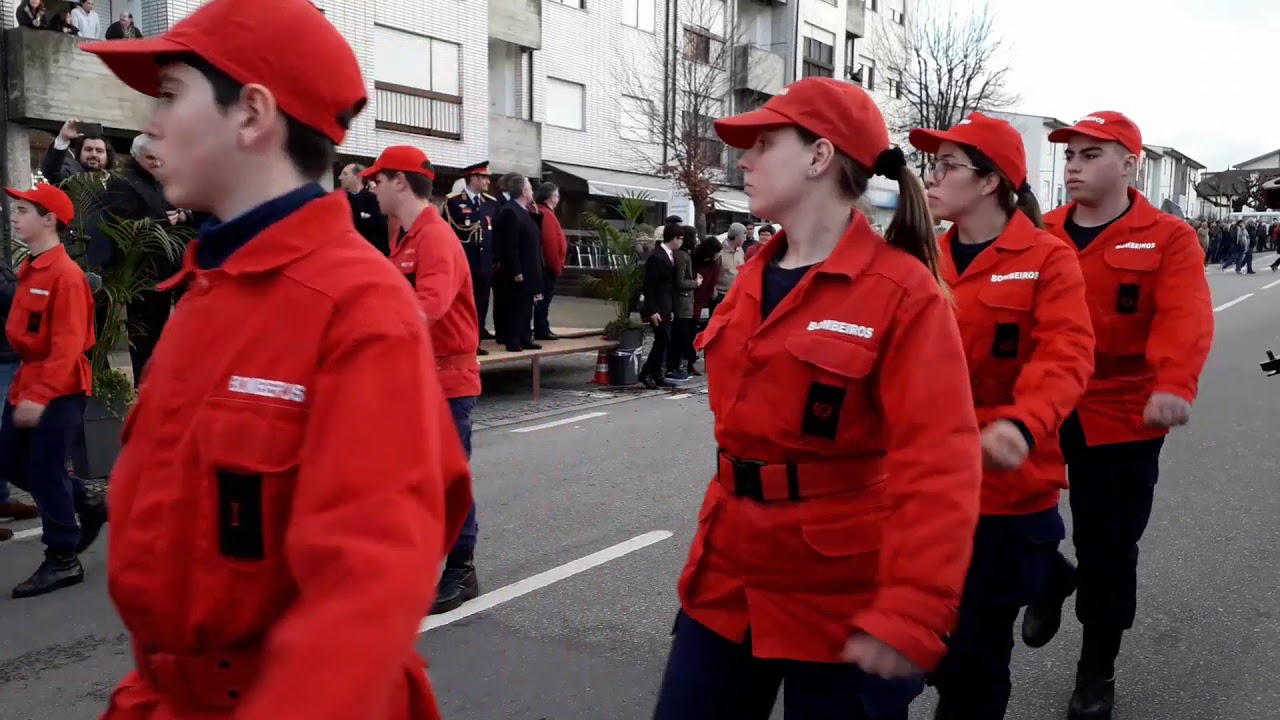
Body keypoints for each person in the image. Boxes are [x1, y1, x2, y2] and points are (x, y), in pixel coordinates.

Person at [80, 1, 473, 717]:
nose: (151, 127)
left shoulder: (357, 308)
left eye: (170, 95)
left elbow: (363, 597)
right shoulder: (208, 284)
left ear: (252, 114)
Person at [651, 77, 983, 720]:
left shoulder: (900, 291)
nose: (743, 160)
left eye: (764, 142)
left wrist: (914, 604)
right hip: (729, 577)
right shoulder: (752, 275)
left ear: (819, 156)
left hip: (841, 594)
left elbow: (939, 459)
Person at [1025, 111, 1214, 720]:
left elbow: (1184, 317)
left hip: (1122, 411)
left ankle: (1095, 670)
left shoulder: (1167, 237)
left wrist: (1174, 383)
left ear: (1128, 163)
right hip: (1043, 401)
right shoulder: (1039, 230)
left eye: (1089, 154)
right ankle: (1048, 576)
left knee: (1107, 546)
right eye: (1070, 154)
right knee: (993, 514)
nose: (1073, 165)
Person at [907, 113, 1096, 719]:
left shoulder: (1047, 258)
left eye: (945, 166)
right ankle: (1048, 572)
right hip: (924, 488)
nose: (929, 178)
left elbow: (1066, 353)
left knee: (974, 659)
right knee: (920, 642)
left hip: (1007, 486)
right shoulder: (917, 259)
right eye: (929, 165)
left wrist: (1020, 423)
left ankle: (1042, 570)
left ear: (990, 183)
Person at [363, 145, 484, 615]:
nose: (371, 188)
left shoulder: (435, 237)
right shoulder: (404, 235)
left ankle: (462, 570)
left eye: (377, 180)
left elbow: (428, 306)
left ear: (400, 182)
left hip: (447, 381)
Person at [0, 183, 96, 597]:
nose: (14, 217)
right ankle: (88, 500)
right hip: (27, 380)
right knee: (10, 460)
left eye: (23, 210)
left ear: (49, 220)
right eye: (15, 209)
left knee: (43, 469)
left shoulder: (66, 276)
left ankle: (63, 557)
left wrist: (41, 397)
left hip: (59, 387)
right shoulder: (31, 268)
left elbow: (68, 345)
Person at [442, 161, 498, 348]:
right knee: (465, 304)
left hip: (484, 263)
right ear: (474, 178)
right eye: (484, 178)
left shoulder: (490, 203)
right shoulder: (455, 201)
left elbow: (492, 234)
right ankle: (464, 341)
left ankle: (476, 341)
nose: (487, 182)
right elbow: (449, 232)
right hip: (465, 261)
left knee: (482, 303)